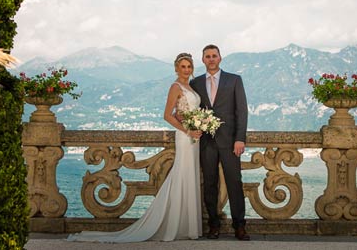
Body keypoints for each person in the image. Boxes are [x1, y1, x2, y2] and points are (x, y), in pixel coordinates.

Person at [67, 52, 203, 242]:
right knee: (181, 174)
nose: (186, 70)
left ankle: (188, 226)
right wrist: (188, 131)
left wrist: (199, 125)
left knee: (190, 175)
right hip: (185, 136)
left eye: (189, 67)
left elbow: (184, 111)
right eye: (183, 66)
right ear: (176, 68)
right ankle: (173, 225)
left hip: (195, 137)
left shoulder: (191, 86)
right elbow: (167, 115)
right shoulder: (175, 87)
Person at [190, 44, 250, 241]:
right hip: (206, 142)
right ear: (203, 60)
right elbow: (192, 112)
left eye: (214, 56)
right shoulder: (196, 83)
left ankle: (239, 226)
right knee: (209, 184)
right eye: (207, 56)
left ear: (220, 58)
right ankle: (213, 225)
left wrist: (240, 138)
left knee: (235, 183)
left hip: (230, 142)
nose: (211, 59)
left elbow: (241, 111)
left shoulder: (234, 80)